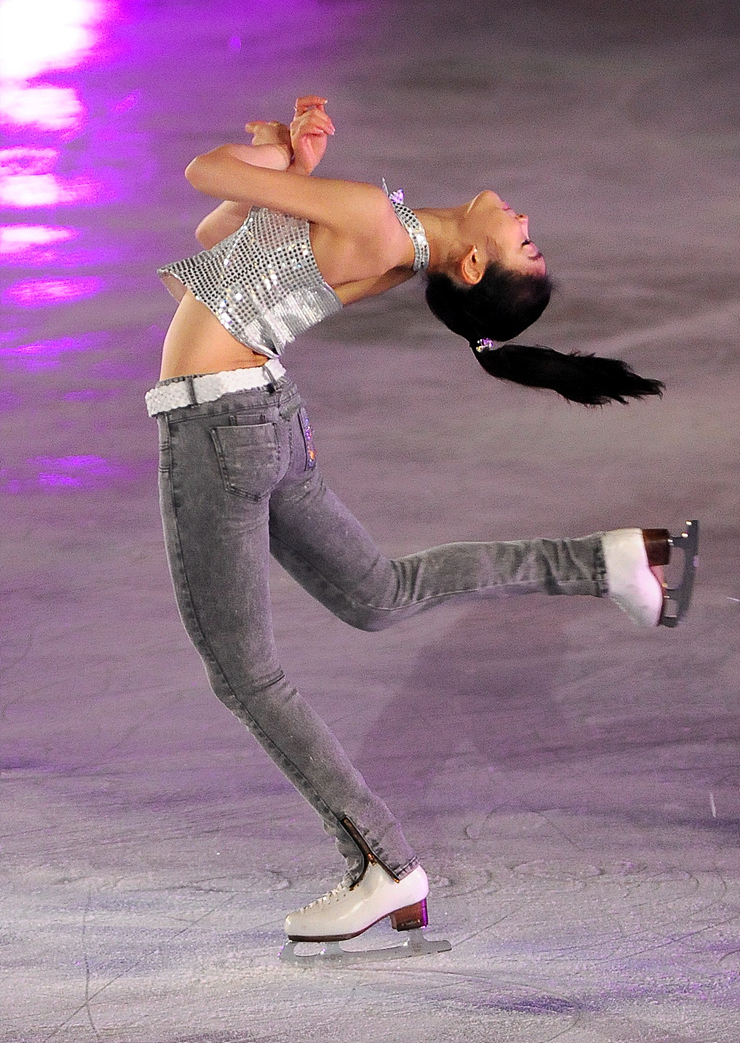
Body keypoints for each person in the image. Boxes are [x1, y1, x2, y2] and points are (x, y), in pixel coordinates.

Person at [146, 95, 693, 948]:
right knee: (378, 594)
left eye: (525, 243)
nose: (526, 222)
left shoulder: (379, 223)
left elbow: (202, 174)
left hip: (220, 427)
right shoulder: (389, 237)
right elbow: (224, 248)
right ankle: (603, 562)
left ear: (472, 264)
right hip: (258, 419)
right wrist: (294, 168)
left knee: (244, 674)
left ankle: (382, 864)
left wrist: (281, 166)